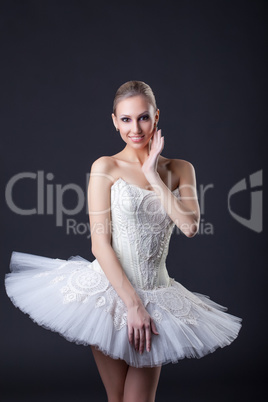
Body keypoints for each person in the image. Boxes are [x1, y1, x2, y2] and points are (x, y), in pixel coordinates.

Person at [5, 80, 242, 402]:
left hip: (158, 294)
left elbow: (189, 227)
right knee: (116, 398)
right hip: (107, 292)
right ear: (115, 121)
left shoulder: (180, 169)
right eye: (126, 119)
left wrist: (154, 176)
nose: (136, 128)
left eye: (143, 117)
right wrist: (133, 305)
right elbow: (99, 243)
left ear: (156, 117)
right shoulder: (106, 167)